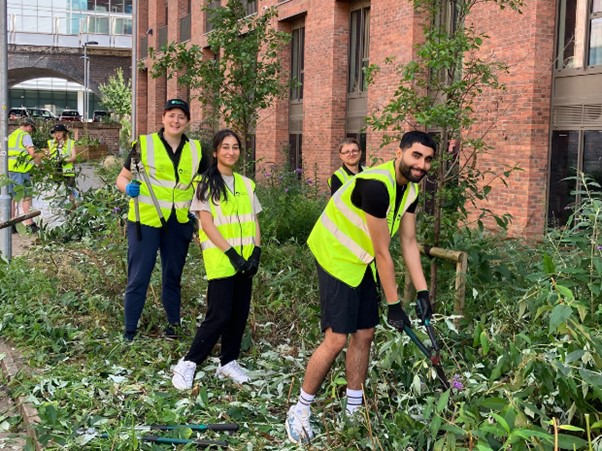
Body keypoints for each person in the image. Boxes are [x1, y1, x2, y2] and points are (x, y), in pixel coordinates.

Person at [284, 130, 437, 444]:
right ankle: (300, 409)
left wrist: (422, 292)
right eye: (416, 156)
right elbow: (384, 253)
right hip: (335, 255)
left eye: (428, 159)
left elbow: (408, 242)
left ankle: (353, 409)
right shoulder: (376, 186)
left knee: (365, 332)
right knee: (337, 338)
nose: (421, 164)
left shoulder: (410, 190)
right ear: (400, 152)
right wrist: (395, 305)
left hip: (360, 258)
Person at [172, 129, 262, 390]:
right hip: (222, 260)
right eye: (225, 147)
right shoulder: (205, 184)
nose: (231, 152)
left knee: (239, 313)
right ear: (215, 152)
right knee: (219, 315)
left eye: (235, 147)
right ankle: (189, 362)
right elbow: (208, 224)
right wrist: (231, 254)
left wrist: (256, 252)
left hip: (246, 262)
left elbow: (254, 220)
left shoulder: (246, 184)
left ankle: (228, 362)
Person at [115, 99, 207, 341]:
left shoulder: (197, 149)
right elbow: (121, 178)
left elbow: (206, 182)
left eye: (181, 117)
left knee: (172, 276)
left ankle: (173, 327)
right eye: (172, 115)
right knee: (139, 276)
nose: (176, 121)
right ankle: (130, 331)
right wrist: (128, 189)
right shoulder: (143, 145)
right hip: (145, 222)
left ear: (187, 121)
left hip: (178, 222)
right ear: (163, 117)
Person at [7, 118, 41, 233]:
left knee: (12, 196)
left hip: (9, 169)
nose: (31, 131)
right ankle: (29, 224)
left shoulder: (11, 135)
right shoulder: (25, 135)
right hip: (21, 170)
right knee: (27, 196)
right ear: (29, 126)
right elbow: (32, 153)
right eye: (32, 129)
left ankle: (10, 224)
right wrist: (39, 164)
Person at [46, 124, 77, 201]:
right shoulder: (51, 143)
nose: (57, 134)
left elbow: (74, 157)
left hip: (68, 172)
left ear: (64, 133)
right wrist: (48, 157)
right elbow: (49, 156)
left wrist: (64, 160)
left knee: (70, 192)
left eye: (59, 132)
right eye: (56, 133)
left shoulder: (70, 143)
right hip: (56, 171)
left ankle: (72, 210)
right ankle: (59, 209)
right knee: (57, 192)